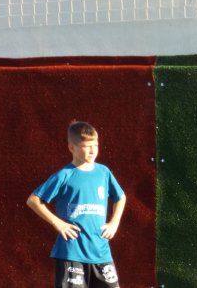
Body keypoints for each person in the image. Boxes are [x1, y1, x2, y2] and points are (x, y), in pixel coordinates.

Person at [27, 121, 127, 288]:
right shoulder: (64, 175)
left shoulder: (104, 172)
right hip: (72, 253)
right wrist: (57, 222)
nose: (93, 150)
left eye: (95, 144)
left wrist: (114, 223)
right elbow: (33, 200)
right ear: (72, 148)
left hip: (101, 252)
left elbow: (120, 197)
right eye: (87, 146)